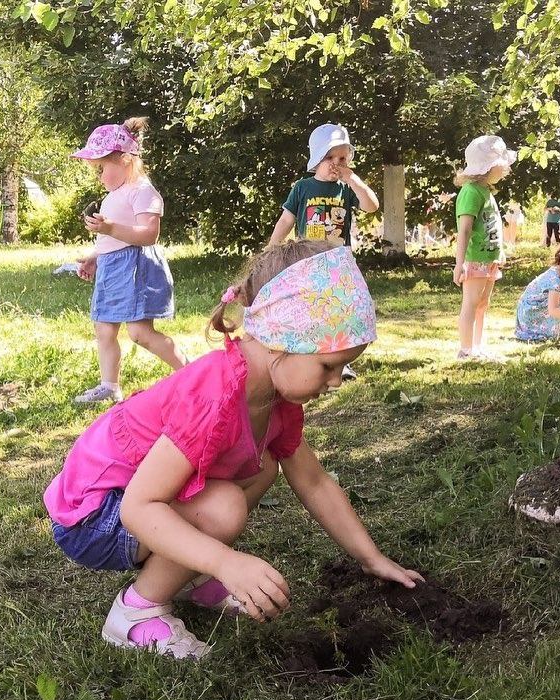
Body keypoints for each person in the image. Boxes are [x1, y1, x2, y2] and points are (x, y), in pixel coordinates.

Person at [44, 241, 424, 661]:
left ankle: (182, 575)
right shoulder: (215, 395)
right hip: (93, 516)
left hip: (131, 504)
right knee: (224, 507)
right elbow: (139, 506)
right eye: (328, 366)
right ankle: (136, 611)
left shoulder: (276, 399)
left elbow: (313, 481)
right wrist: (225, 562)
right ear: (282, 340)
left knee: (262, 467)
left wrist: (371, 558)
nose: (335, 382)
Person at [70, 118, 186, 404]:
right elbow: (114, 239)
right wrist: (95, 257)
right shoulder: (115, 194)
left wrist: (109, 228)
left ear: (124, 160)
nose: (98, 176)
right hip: (113, 268)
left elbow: (149, 234)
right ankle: (110, 386)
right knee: (104, 329)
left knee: (140, 333)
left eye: (101, 168)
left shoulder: (142, 190)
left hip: (136, 268)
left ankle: (190, 372)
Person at [453, 135, 517, 360]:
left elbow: (492, 226)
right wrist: (459, 264)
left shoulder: (486, 191)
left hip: (489, 258)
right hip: (475, 258)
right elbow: (465, 230)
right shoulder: (470, 192)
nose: (505, 170)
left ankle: (478, 347)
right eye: (502, 166)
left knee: (483, 304)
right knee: (471, 303)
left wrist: (500, 253)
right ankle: (466, 349)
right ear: (490, 166)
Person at [268, 123, 379, 248]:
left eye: (342, 158)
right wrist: (272, 246)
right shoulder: (302, 187)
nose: (336, 163)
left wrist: (353, 179)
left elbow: (372, 206)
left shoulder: (347, 188)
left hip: (339, 259)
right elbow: (286, 220)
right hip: (308, 257)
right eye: (329, 157)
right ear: (316, 160)